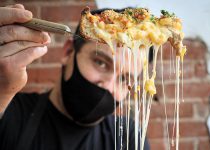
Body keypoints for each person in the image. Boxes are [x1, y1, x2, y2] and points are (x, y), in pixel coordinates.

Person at [0, 4, 150, 150]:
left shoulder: (127, 138)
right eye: (101, 63)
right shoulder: (11, 112)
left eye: (124, 79)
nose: (108, 86)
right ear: (68, 52)